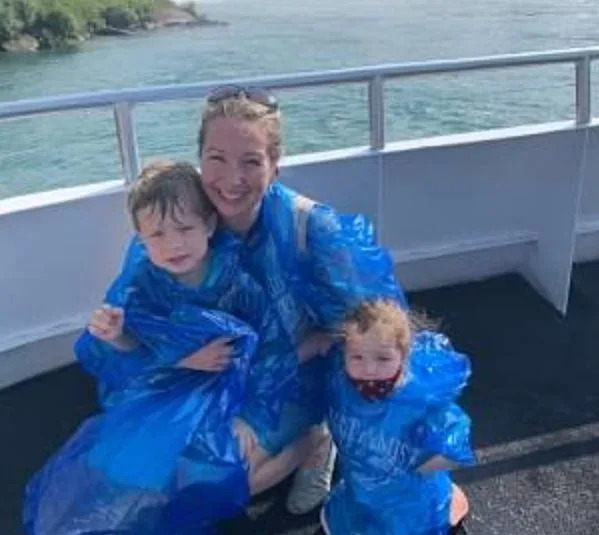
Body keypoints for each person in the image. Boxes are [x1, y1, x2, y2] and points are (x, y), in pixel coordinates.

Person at [23, 161, 310, 535]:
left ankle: (310, 447)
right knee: (123, 471)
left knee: (221, 475)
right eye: (157, 234)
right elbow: (124, 353)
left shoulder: (237, 281)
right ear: (140, 240)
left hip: (240, 390)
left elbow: (271, 352)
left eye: (185, 228)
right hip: (173, 387)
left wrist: (250, 419)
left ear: (209, 225)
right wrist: (117, 337)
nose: (173, 243)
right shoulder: (141, 280)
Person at [194, 85, 408, 513]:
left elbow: (372, 320)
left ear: (275, 166)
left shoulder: (311, 229)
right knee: (162, 469)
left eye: (251, 162)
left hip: (297, 373)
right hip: (225, 371)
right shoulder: (185, 218)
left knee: (222, 483)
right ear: (199, 159)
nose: (232, 180)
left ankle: (314, 441)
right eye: (216, 158)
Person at [303, 299, 474, 535]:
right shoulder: (341, 383)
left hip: (413, 511)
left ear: (403, 357)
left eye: (383, 359)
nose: (369, 369)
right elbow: (319, 347)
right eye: (357, 357)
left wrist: (427, 458)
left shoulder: (421, 400)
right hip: (360, 499)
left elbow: (455, 449)